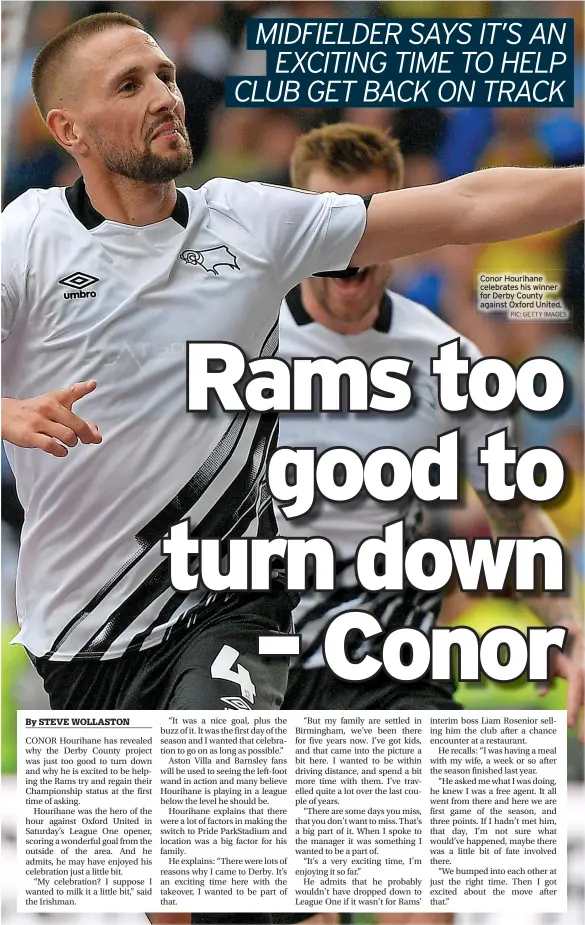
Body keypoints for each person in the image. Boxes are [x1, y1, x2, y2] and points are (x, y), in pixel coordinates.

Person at [0, 12, 583, 925]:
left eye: (162, 73)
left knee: (241, 861)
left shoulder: (253, 224)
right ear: (67, 130)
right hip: (80, 637)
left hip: (239, 610)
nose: (162, 94)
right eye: (128, 85)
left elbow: (470, 205)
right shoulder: (27, 239)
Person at [275, 122, 584, 925]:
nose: (350, 240)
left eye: (372, 216)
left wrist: (568, 627)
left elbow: (518, 521)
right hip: (254, 671)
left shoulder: (449, 363)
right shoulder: (225, 342)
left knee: (422, 908)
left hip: (389, 669)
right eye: (328, 218)